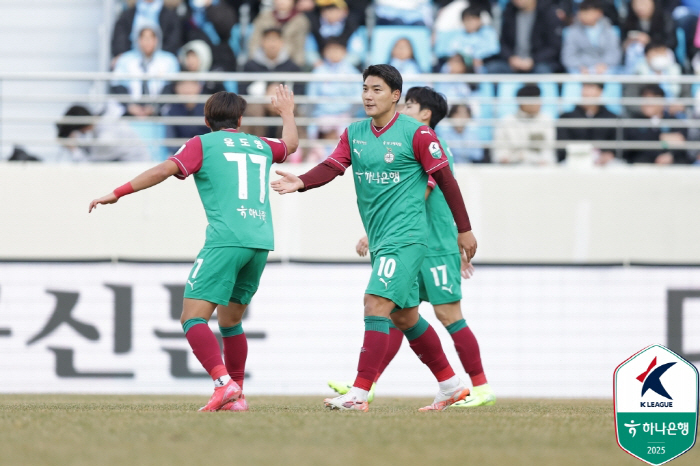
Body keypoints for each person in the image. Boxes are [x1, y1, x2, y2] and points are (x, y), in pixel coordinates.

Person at [271, 65, 477, 412]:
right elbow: (334, 165)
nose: (368, 95)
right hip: (381, 239)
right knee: (405, 316)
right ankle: (451, 385)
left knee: (375, 302)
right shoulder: (355, 133)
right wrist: (302, 181)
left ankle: (359, 392)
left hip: (407, 237)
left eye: (377, 89)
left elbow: (446, 182)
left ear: (396, 96)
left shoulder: (419, 134)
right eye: (365, 88)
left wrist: (464, 229)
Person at [88, 86, 299, 412]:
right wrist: (287, 113)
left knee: (192, 317)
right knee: (231, 321)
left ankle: (222, 383)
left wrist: (119, 192)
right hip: (260, 241)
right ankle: (237, 395)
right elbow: (290, 146)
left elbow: (163, 169)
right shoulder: (259, 145)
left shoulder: (202, 143)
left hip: (226, 239)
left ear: (206, 119)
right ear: (240, 120)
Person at [327, 87, 495, 408]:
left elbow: (426, 188)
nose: (403, 109)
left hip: (434, 245)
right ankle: (369, 384)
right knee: (398, 315)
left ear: (425, 114)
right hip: (410, 241)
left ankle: (481, 387)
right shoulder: (403, 137)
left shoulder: (429, 141)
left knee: (448, 314)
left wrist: (458, 238)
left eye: (410, 104)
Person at [111, 24, 180, 117]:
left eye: (151, 37)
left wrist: (155, 107)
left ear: (157, 40)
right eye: (143, 38)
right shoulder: (125, 59)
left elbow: (170, 88)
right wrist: (130, 106)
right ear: (138, 40)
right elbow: (117, 86)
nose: (147, 42)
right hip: (129, 110)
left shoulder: (169, 60)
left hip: (160, 111)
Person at [487, 0, 562, 74]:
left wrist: (533, 60)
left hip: (539, 62)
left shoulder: (548, 13)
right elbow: (502, 43)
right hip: (512, 62)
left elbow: (553, 47)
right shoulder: (509, 11)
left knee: (543, 70)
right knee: (493, 68)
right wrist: (511, 58)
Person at [56, 104, 150, 162]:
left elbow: (89, 167)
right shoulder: (102, 121)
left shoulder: (105, 138)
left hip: (135, 168)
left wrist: (74, 150)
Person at [623, 84, 690, 164]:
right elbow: (636, 146)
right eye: (645, 99)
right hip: (643, 166)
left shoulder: (674, 121)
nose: (648, 103)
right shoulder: (634, 122)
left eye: (652, 99)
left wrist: (670, 155)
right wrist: (661, 137)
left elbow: (681, 143)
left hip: (671, 167)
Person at [492, 84, 556, 165]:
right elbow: (500, 154)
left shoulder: (546, 120)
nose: (539, 103)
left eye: (539, 99)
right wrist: (516, 157)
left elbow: (548, 152)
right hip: (511, 169)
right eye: (534, 100)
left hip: (539, 171)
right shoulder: (506, 122)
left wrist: (528, 157)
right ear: (522, 102)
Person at [557, 83, 619, 164]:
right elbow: (563, 144)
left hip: (603, 163)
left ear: (600, 91)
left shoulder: (611, 118)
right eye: (584, 88)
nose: (586, 92)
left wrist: (608, 154)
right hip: (574, 160)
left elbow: (615, 143)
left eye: (591, 87)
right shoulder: (567, 117)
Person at [560, 0, 621, 74]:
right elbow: (568, 56)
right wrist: (580, 66)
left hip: (605, 69)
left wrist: (604, 65)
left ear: (599, 13)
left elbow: (614, 53)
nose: (584, 16)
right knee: (572, 83)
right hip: (580, 70)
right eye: (582, 12)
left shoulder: (609, 30)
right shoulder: (572, 31)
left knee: (612, 79)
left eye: (588, 12)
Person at [248, 0, 310, 68]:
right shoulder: (264, 17)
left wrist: (296, 67)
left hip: (288, 63)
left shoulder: (300, 20)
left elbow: (299, 47)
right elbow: (254, 41)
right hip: (262, 62)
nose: (281, 1)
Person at [111, 0, 183, 58]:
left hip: (161, 60)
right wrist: (121, 55)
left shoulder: (170, 16)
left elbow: (173, 41)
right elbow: (120, 38)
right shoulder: (127, 15)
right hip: (132, 60)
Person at [622, 0, 677, 73]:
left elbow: (671, 42)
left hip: (659, 52)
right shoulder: (629, 20)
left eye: (644, 3)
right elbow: (622, 44)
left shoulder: (664, 18)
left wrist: (650, 42)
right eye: (636, 4)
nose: (640, 7)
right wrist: (629, 41)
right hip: (639, 59)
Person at [447, 6, 500, 73]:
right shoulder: (458, 35)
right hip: (463, 68)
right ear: (462, 22)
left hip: (486, 65)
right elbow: (453, 52)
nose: (470, 23)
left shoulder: (488, 33)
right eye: (468, 20)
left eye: (473, 19)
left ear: (479, 20)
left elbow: (494, 51)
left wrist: (480, 60)